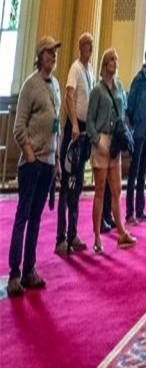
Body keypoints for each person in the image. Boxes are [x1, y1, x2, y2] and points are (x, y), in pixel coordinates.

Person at [7, 36, 62, 297]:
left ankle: (30, 269)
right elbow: (19, 126)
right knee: (23, 217)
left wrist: (58, 161)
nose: (53, 56)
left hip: (49, 162)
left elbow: (57, 128)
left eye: (55, 53)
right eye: (49, 52)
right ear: (40, 56)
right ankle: (14, 273)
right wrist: (29, 153)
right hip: (32, 163)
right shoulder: (31, 85)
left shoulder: (56, 86)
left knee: (37, 218)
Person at [86, 49, 137, 254]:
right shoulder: (97, 91)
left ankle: (122, 233)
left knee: (116, 190)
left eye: (116, 59)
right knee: (100, 191)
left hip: (114, 141)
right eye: (111, 60)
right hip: (101, 140)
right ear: (104, 64)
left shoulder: (119, 87)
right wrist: (97, 141)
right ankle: (97, 237)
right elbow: (89, 121)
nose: (114, 63)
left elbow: (122, 112)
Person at [55, 32, 94, 256]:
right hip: (74, 129)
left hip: (85, 129)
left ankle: (73, 233)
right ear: (80, 48)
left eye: (91, 46)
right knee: (66, 186)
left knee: (77, 185)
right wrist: (73, 124)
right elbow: (69, 96)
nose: (89, 49)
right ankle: (61, 237)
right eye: (86, 45)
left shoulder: (89, 70)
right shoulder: (75, 68)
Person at [125, 46, 146, 225]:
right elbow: (130, 105)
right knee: (134, 171)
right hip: (139, 129)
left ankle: (140, 208)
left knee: (143, 170)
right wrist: (134, 123)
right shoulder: (139, 79)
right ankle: (130, 212)